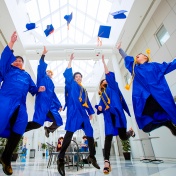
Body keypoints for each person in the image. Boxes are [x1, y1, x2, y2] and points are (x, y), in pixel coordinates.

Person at [0, 31, 45, 175]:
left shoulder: (26, 76)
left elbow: (32, 88)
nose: (17, 61)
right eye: (15, 60)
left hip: (21, 105)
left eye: (20, 60)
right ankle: (5, 158)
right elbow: (4, 60)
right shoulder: (8, 70)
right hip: (5, 101)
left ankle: (6, 157)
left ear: (23, 64)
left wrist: (39, 89)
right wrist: (11, 43)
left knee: (19, 128)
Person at [116, 42, 176, 135]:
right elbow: (127, 59)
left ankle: (168, 122)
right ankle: (165, 122)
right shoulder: (135, 69)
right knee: (146, 127)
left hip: (158, 97)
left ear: (145, 57)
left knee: (170, 113)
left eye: (139, 55)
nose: (137, 56)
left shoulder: (155, 66)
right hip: (145, 100)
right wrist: (120, 49)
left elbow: (170, 65)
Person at [57, 53, 100, 176]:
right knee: (69, 134)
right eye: (76, 76)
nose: (78, 78)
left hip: (83, 114)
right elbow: (67, 75)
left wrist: (90, 113)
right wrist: (70, 61)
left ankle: (92, 156)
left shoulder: (84, 90)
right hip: (73, 112)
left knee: (90, 134)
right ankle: (60, 159)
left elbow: (87, 103)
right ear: (73, 78)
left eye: (80, 77)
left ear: (82, 78)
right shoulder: (71, 85)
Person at [95, 54, 135, 174]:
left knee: (123, 137)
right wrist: (101, 107)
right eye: (103, 81)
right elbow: (100, 108)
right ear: (101, 86)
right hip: (109, 117)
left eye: (106, 79)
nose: (105, 81)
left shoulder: (113, 87)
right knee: (108, 137)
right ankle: (107, 162)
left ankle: (131, 132)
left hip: (118, 114)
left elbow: (108, 74)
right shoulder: (102, 96)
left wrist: (103, 63)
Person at [25, 46, 63, 137]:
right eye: (47, 71)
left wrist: (59, 105)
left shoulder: (52, 84)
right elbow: (41, 68)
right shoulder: (41, 77)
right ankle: (20, 128)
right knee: (37, 123)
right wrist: (43, 55)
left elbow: (54, 95)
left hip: (51, 105)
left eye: (50, 73)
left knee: (59, 121)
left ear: (52, 75)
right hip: (42, 102)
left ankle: (48, 129)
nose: (49, 73)